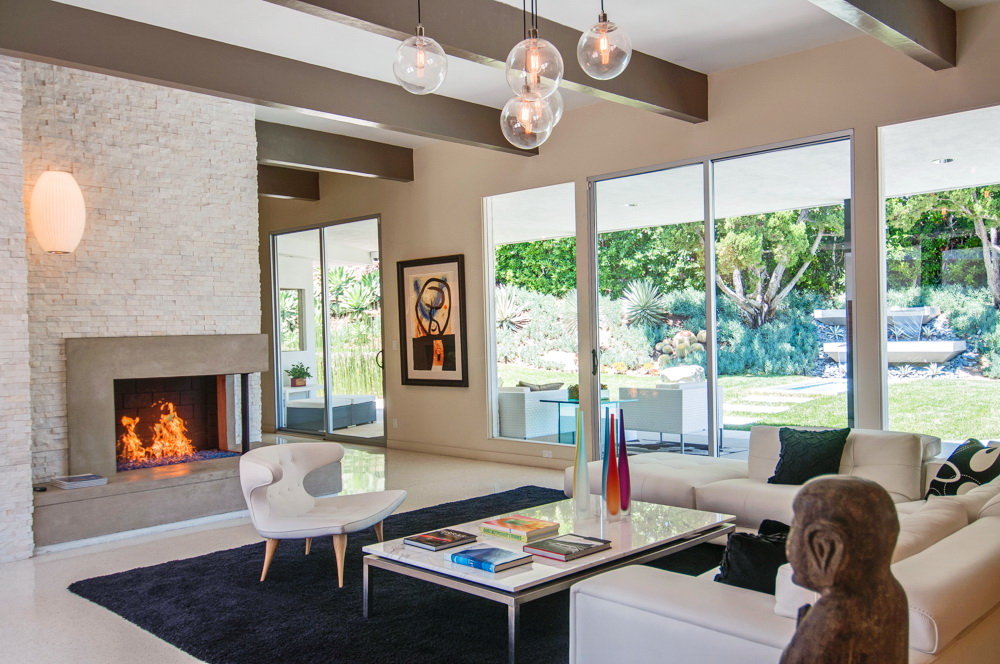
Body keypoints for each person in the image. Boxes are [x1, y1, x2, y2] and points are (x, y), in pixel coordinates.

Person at [781, 476, 908, 664]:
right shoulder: (891, 592)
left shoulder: (831, 619)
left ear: (825, 548)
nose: (789, 543)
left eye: (794, 528)